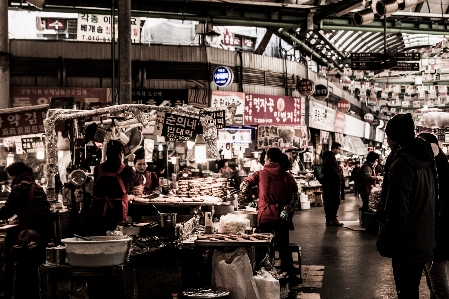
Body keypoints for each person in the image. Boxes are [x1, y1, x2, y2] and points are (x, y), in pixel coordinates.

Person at [377, 113, 436, 299]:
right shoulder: (426, 160)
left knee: (406, 292)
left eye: (388, 136)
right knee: (411, 290)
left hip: (406, 242)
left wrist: (387, 234)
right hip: (423, 237)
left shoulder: (402, 164)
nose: (387, 141)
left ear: (395, 137)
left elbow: (397, 211)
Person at [240, 148, 300, 286]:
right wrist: (286, 209)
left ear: (267, 158)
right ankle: (288, 277)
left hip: (264, 216)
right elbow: (294, 196)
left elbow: (244, 185)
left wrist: (250, 199)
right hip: (281, 218)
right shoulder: (288, 176)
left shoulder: (260, 174)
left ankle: (263, 278)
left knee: (263, 248)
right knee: (284, 248)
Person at [0, 162, 52, 299]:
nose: (10, 180)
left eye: (10, 177)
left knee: (19, 266)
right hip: (42, 234)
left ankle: (14, 293)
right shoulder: (38, 187)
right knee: (35, 268)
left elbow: (6, 212)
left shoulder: (19, 187)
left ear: (15, 175)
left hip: (27, 234)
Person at [419, 133, 449, 299]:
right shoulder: (438, 164)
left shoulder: (437, 167)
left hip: (435, 232)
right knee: (433, 283)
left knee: (438, 285)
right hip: (434, 231)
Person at [89, 140, 140, 235]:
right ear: (121, 154)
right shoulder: (126, 169)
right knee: (115, 236)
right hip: (116, 211)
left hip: (97, 210)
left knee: (99, 236)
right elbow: (139, 180)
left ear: (106, 154)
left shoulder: (98, 168)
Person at [321, 142, 343, 226]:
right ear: (334, 148)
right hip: (332, 184)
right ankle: (333, 219)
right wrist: (339, 179)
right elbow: (334, 171)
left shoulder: (326, 157)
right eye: (338, 149)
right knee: (335, 201)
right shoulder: (331, 158)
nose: (339, 151)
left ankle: (329, 219)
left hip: (327, 184)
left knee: (328, 201)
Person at [358, 151, 382, 227]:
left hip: (366, 187)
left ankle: (364, 222)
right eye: (376, 160)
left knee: (366, 203)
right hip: (364, 188)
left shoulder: (369, 166)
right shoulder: (367, 167)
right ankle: (365, 222)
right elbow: (368, 177)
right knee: (366, 204)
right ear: (373, 159)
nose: (376, 162)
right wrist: (377, 178)